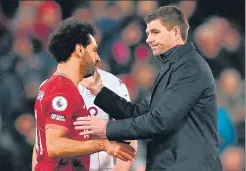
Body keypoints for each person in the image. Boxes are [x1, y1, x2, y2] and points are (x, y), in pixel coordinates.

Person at [74, 5, 222, 171]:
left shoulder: (190, 68)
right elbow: (138, 113)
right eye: (148, 33)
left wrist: (106, 128)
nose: (148, 39)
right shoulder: (171, 68)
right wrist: (99, 90)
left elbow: (160, 121)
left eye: (155, 32)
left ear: (175, 32)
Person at [32, 18, 135, 171]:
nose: (98, 58)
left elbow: (130, 136)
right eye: (94, 50)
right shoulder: (62, 90)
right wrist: (104, 145)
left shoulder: (49, 86)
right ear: (80, 50)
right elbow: (53, 145)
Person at [78, 68, 137, 171]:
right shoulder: (52, 85)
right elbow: (40, 141)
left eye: (94, 50)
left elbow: (130, 138)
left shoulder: (112, 83)